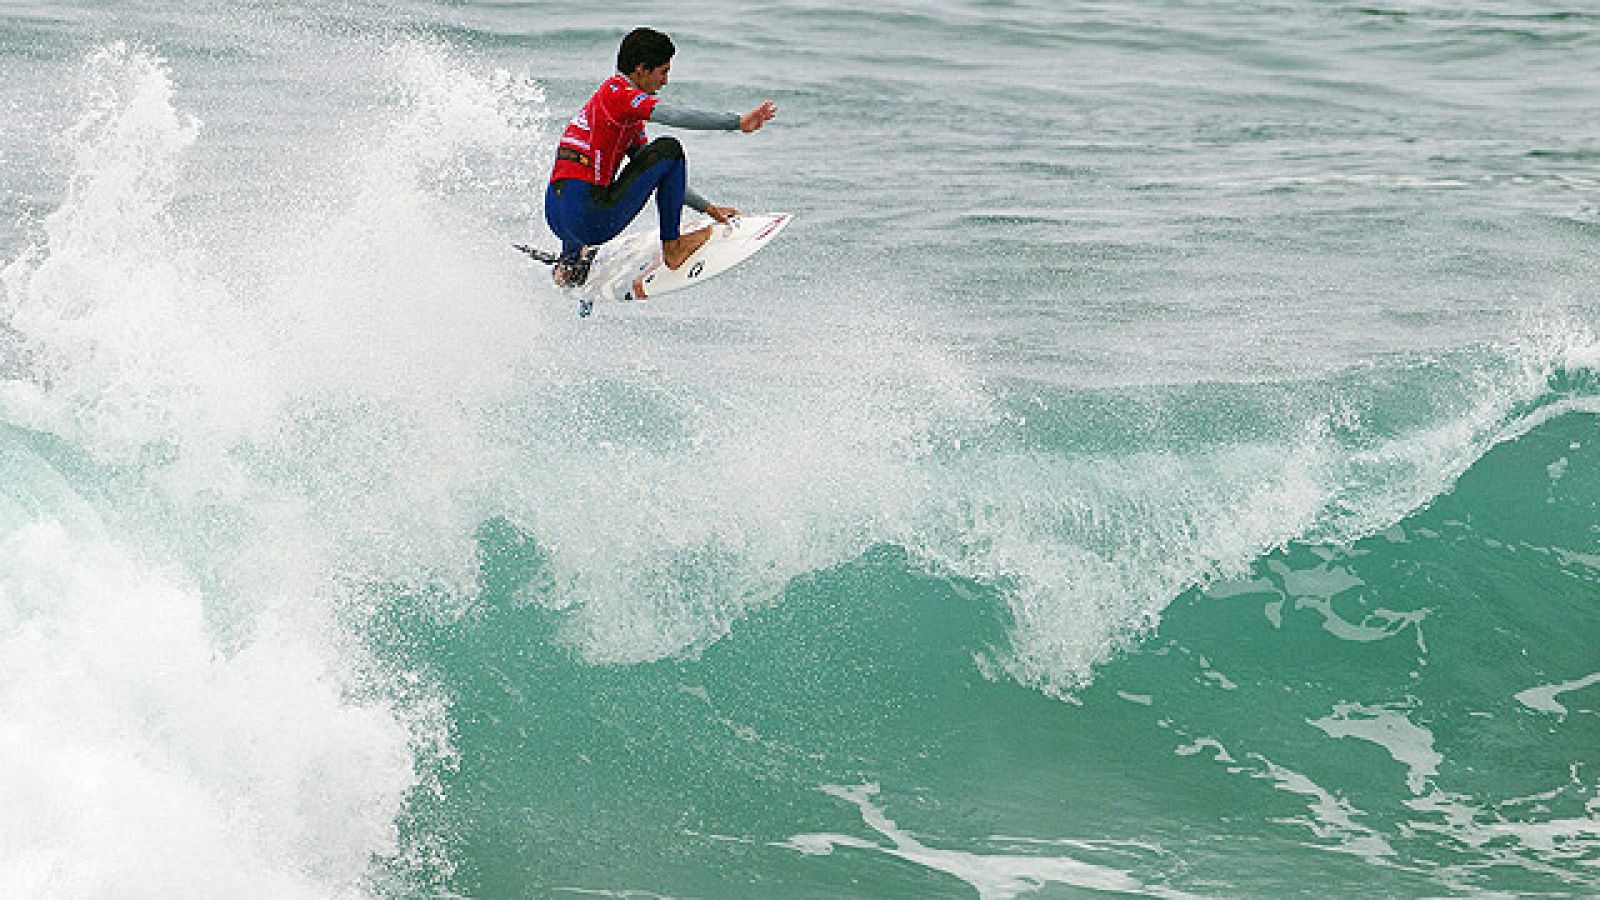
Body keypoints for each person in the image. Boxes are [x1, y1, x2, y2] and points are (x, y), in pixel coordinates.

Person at [545, 27, 777, 291]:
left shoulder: (605, 107)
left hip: (557, 218)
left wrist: (707, 208)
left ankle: (569, 266)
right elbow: (674, 117)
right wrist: (737, 122)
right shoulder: (621, 96)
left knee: (588, 170)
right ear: (641, 69)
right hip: (591, 220)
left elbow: (659, 173)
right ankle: (673, 248)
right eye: (663, 72)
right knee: (670, 148)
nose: (665, 81)